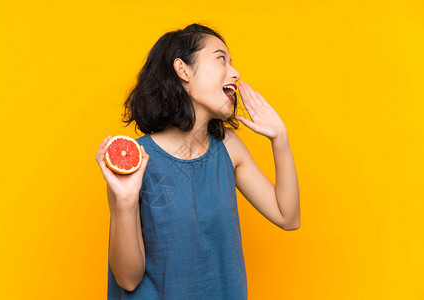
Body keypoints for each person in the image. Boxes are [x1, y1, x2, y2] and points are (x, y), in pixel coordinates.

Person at [95, 23, 301, 299]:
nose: (235, 72)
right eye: (220, 59)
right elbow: (128, 280)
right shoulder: (134, 161)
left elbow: (288, 217)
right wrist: (126, 202)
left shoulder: (229, 149)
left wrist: (281, 139)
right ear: (183, 70)